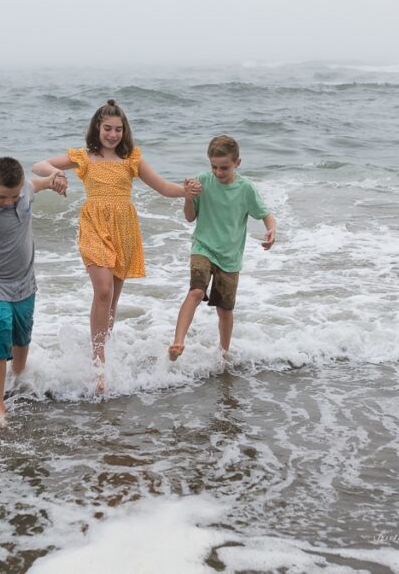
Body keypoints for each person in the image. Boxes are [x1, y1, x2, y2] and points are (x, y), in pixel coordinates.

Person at [32, 100, 201, 391]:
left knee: (112, 300)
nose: (112, 134)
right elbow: (39, 165)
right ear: (97, 128)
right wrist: (56, 175)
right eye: (107, 128)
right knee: (103, 291)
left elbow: (162, 187)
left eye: (118, 129)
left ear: (125, 131)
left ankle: (104, 353)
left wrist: (185, 191)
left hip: (124, 228)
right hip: (94, 224)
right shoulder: (84, 157)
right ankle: (98, 363)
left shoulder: (132, 158)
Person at [0, 156, 66, 428]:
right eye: (2, 197)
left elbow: (39, 183)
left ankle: (18, 379)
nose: (9, 202)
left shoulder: (24, 190)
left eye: (14, 196)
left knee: (21, 334)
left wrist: (55, 182)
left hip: (24, 281)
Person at [168, 135, 276, 363]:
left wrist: (271, 230)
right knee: (196, 291)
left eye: (224, 167)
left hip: (230, 257)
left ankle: (224, 353)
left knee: (225, 310)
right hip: (203, 247)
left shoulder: (245, 188)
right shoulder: (202, 182)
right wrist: (188, 197)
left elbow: (265, 214)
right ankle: (178, 342)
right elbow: (189, 218)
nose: (218, 172)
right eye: (214, 167)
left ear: (237, 163)